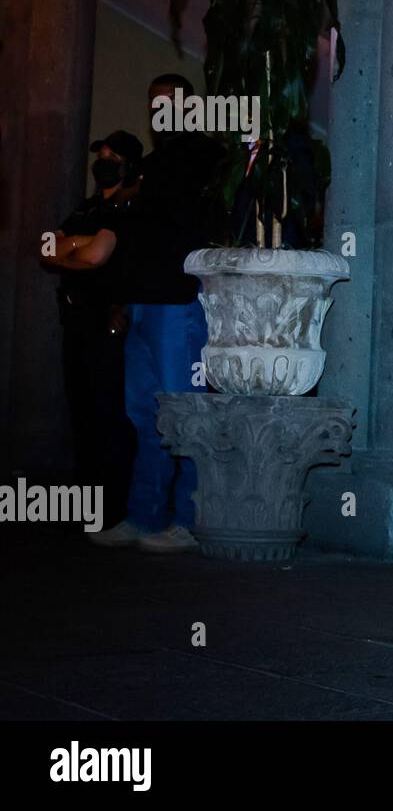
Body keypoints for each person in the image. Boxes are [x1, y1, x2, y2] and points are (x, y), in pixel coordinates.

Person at [92, 73, 226, 553]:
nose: (159, 112)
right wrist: (122, 300)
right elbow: (132, 241)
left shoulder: (208, 157)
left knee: (185, 410)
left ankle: (190, 521)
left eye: (168, 103)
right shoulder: (146, 167)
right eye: (154, 104)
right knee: (144, 413)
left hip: (180, 302)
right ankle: (144, 516)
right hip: (144, 304)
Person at [44, 130, 143, 535]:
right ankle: (84, 505)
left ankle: (113, 509)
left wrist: (75, 249)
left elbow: (98, 254)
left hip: (108, 324)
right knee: (82, 412)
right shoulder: (86, 208)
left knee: (109, 415)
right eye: (100, 152)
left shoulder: (127, 208)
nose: (103, 158)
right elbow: (47, 247)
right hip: (76, 323)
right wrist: (79, 249)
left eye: (112, 154)